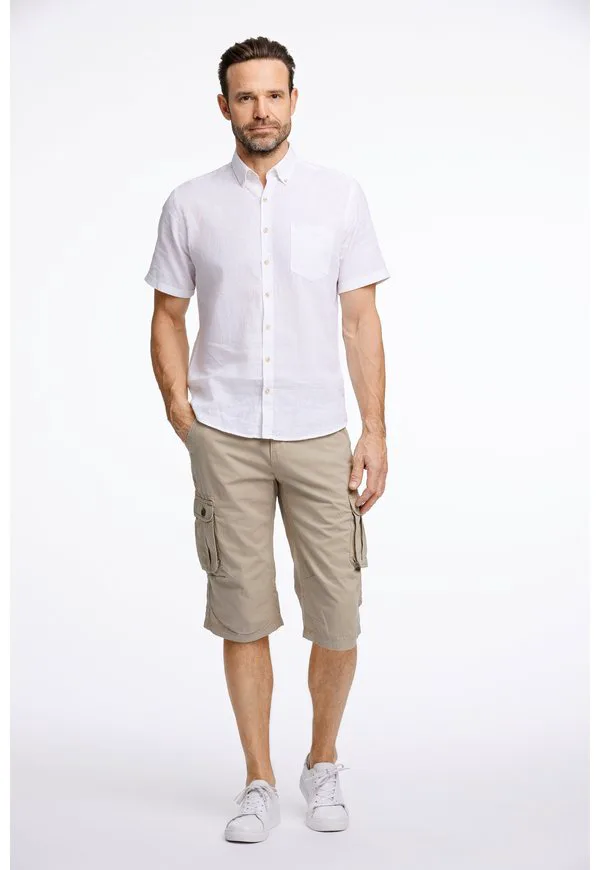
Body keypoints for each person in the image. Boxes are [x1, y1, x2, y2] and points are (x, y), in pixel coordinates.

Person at [144, 35, 390, 842]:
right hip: (226, 437)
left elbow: (361, 321)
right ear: (224, 106)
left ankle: (323, 761)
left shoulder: (339, 197)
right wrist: (183, 413)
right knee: (243, 613)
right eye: (245, 96)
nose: (261, 110)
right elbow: (168, 314)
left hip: (320, 434)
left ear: (294, 100)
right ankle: (258, 778)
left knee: (338, 613)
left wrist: (375, 429)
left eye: (273, 95)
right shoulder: (189, 204)